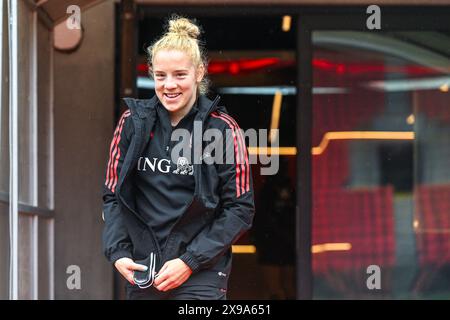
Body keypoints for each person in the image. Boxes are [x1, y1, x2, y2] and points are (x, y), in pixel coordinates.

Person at [101, 15, 255, 300]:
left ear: (199, 72)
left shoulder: (222, 129)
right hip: (144, 269)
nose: (169, 85)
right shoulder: (132, 123)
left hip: (202, 272)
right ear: (152, 74)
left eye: (180, 75)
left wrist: (190, 261)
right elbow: (113, 196)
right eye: (161, 76)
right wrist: (118, 252)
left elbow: (240, 209)